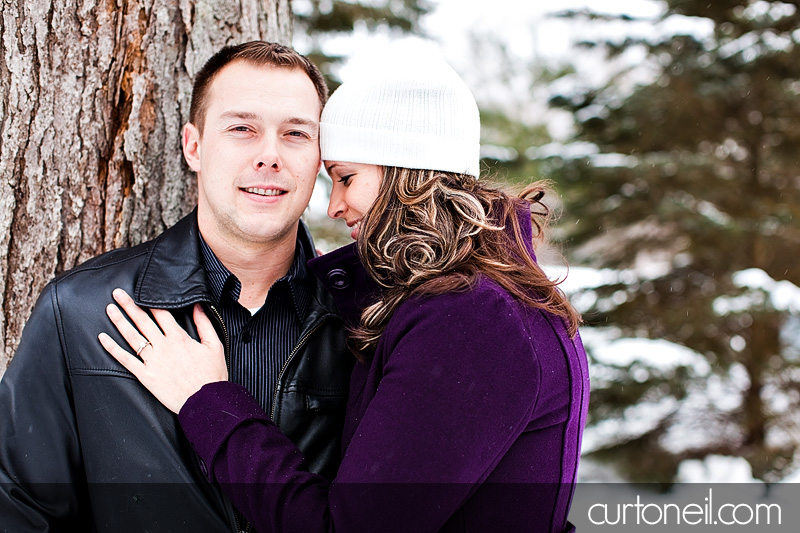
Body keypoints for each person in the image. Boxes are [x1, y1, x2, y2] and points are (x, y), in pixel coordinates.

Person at [99, 49, 590, 532]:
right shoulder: (472, 301)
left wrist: (207, 400)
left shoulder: (474, 317)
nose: (334, 205)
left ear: (405, 175)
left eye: (346, 178)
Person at [0, 42, 353, 531]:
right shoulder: (80, 312)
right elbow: (21, 512)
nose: (269, 155)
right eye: (242, 129)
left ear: (320, 158)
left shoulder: (365, 322)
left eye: (295, 133)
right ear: (194, 146)